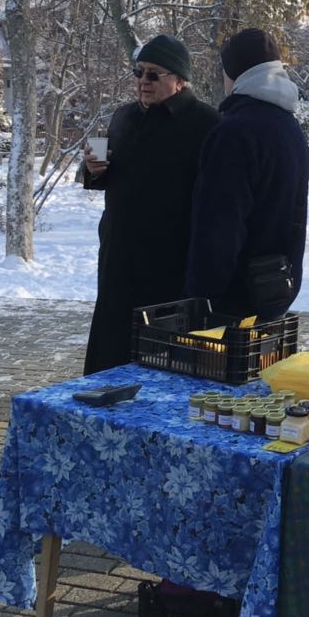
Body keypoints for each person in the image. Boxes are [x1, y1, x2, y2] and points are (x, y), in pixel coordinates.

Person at [82, 34, 219, 374]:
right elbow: (107, 173)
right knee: (110, 351)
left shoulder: (207, 123)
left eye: (154, 74)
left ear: (180, 80)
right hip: (118, 257)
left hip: (168, 261)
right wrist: (92, 170)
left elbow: (217, 198)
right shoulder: (123, 117)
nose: (143, 81)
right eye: (139, 72)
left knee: (162, 361)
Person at [185, 28, 309, 320]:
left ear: (235, 73)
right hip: (275, 289)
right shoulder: (291, 129)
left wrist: (202, 296)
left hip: (233, 301)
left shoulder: (234, 133)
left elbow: (219, 226)